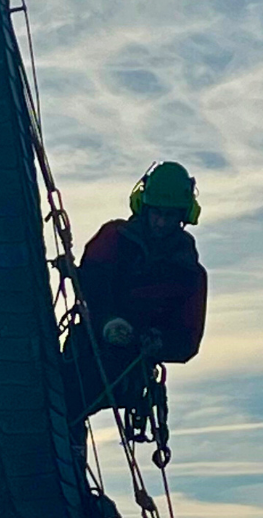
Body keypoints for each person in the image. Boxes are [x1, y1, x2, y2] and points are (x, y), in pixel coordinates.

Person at [65, 161, 207, 466]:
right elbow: (91, 282)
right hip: (89, 350)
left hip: (131, 368)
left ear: (182, 217)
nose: (161, 222)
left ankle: (68, 454)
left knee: (68, 401)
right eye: (157, 213)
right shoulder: (113, 239)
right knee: (64, 399)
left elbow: (187, 339)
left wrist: (157, 342)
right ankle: (68, 452)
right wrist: (108, 321)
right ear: (145, 208)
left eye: (169, 215)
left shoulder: (188, 273)